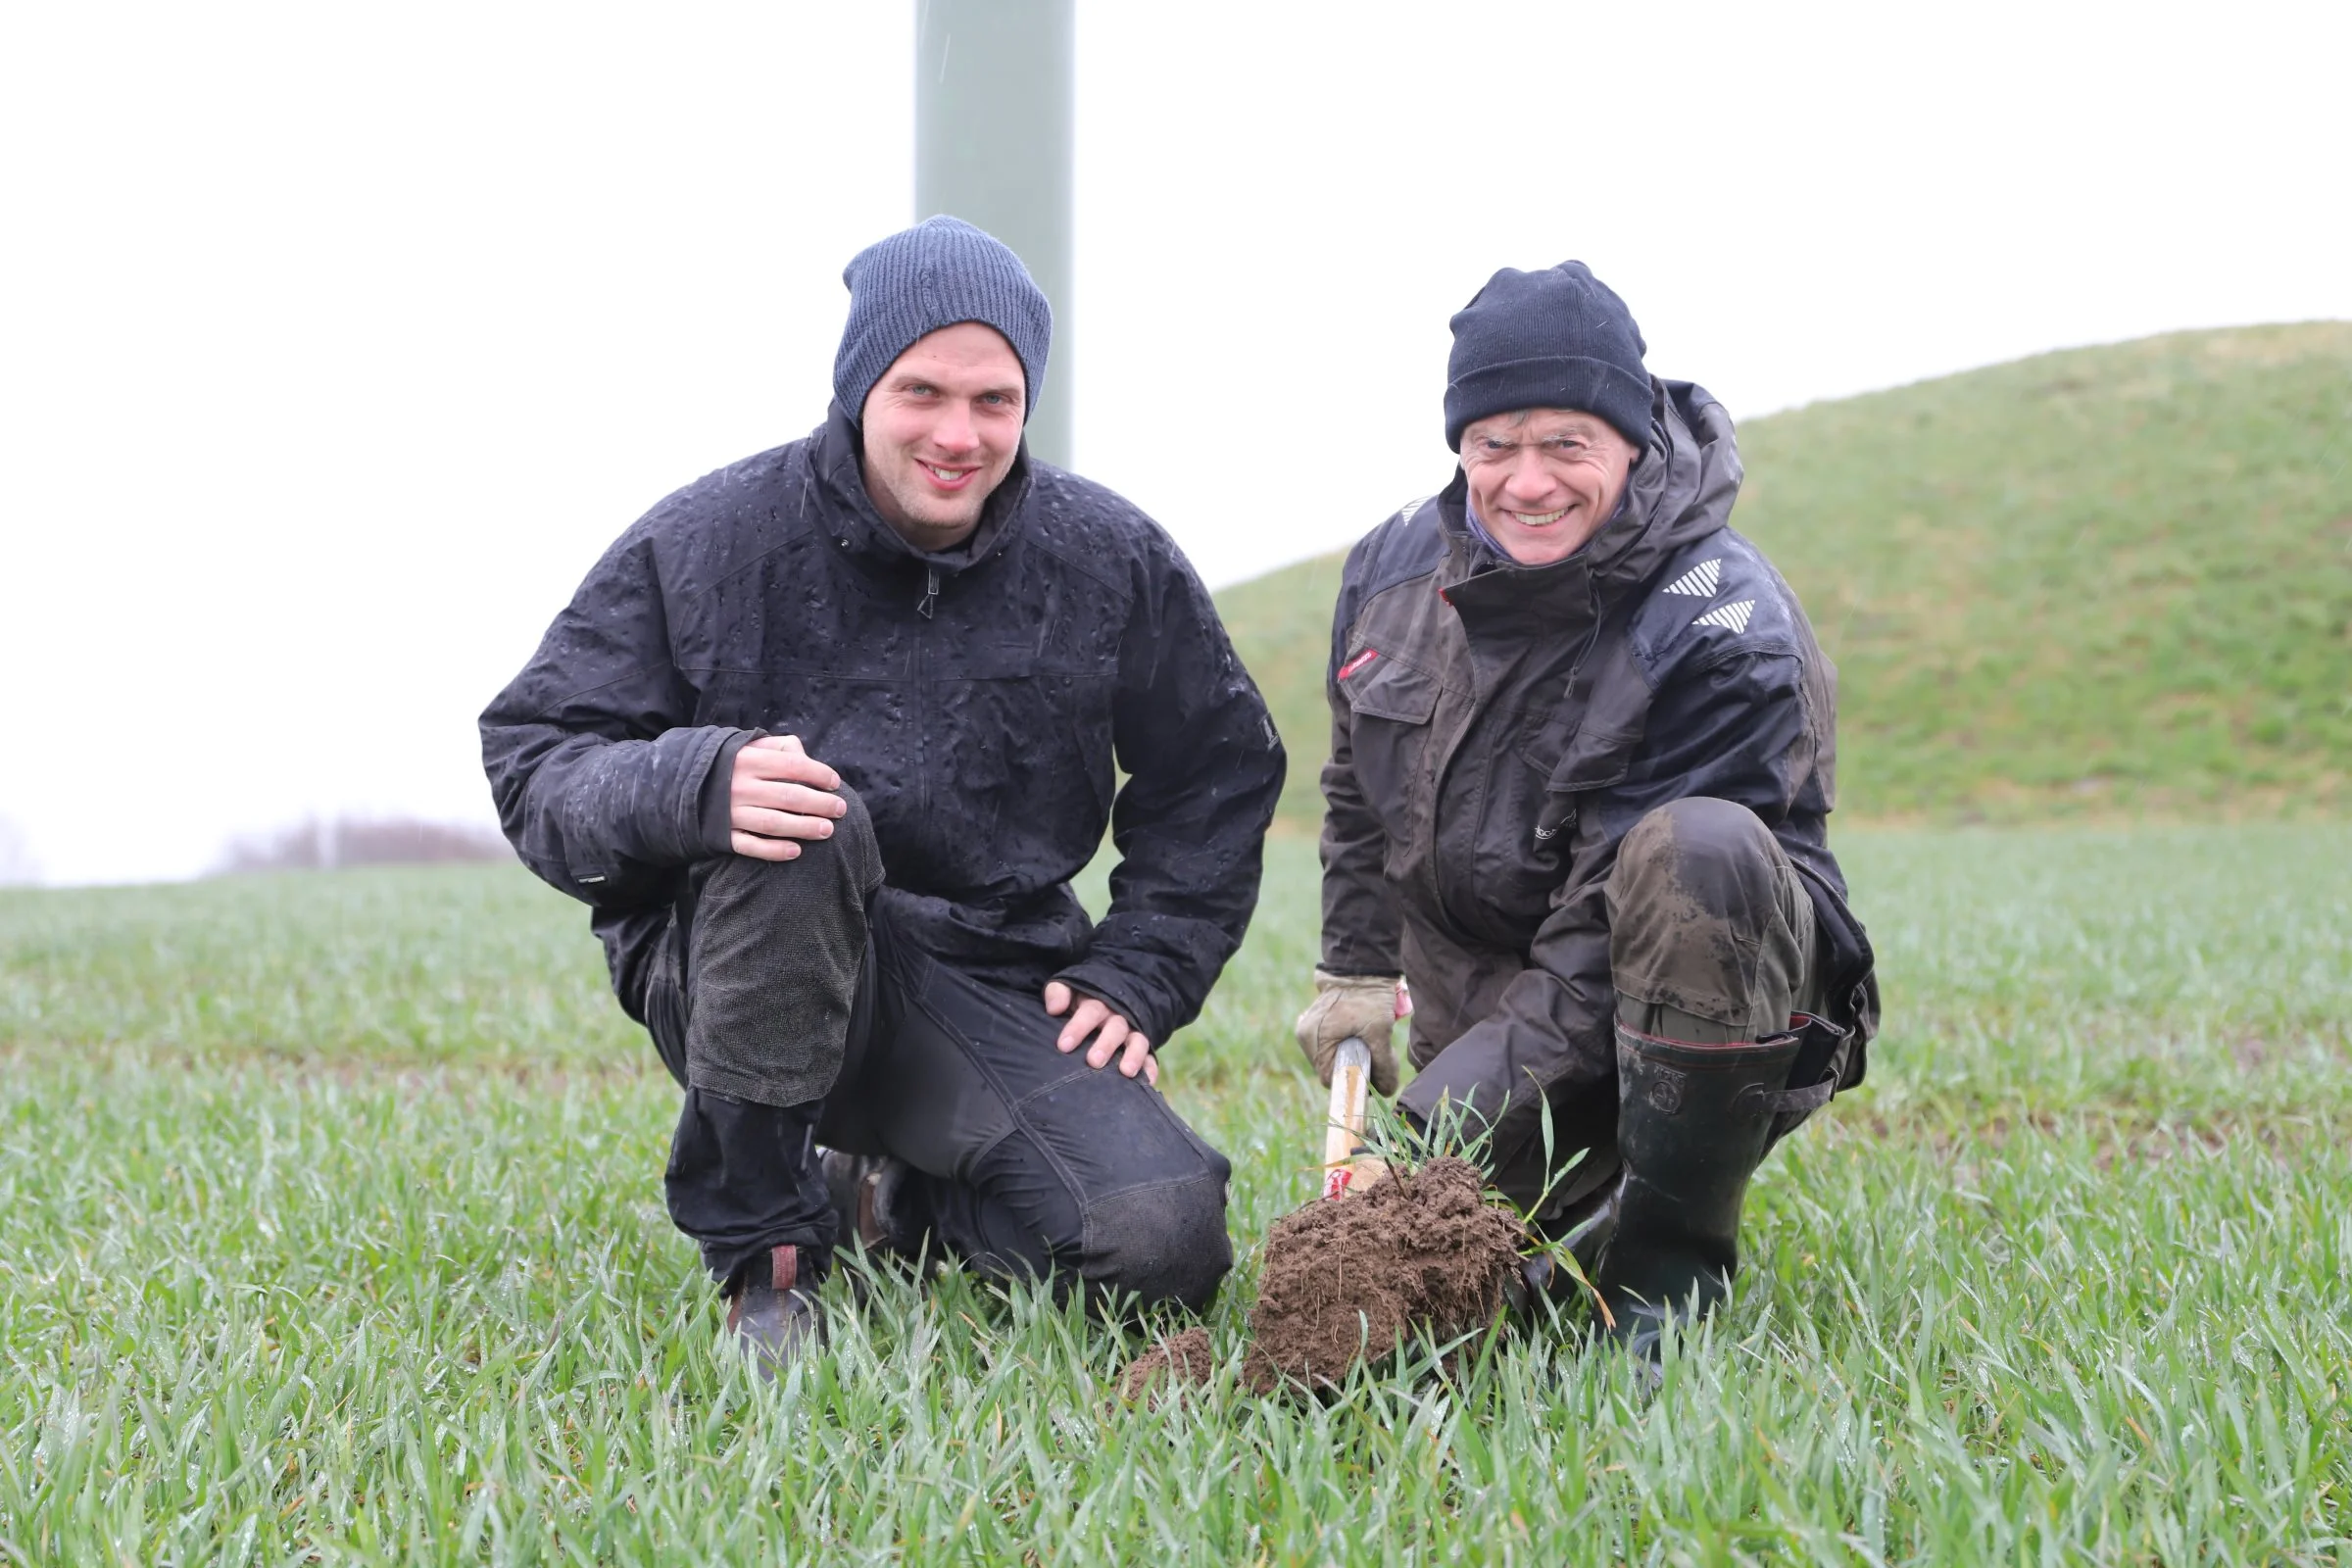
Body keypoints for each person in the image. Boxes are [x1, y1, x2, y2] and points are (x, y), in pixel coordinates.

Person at [482, 217, 1284, 1375]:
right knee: (807, 815)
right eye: (923, 391)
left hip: (989, 973)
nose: (959, 435)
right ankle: (767, 1259)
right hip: (741, 962)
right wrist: (695, 784)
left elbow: (1217, 769)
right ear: (861, 385)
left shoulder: (1106, 556)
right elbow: (536, 749)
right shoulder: (711, 538)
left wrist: (1141, 968)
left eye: (995, 401)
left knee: (1158, 1243)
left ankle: (893, 1199)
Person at [1297, 260, 1878, 1358]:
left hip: (1694, 1002)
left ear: (1632, 441)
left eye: (1567, 444)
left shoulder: (1722, 628)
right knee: (1430, 1315)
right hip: (1490, 1007)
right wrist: (1354, 976)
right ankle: (1568, 1209)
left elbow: (1600, 952)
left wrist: (1424, 1133)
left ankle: (1665, 1279)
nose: (1527, 482)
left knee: (1697, 851)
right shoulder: (1390, 571)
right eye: (1494, 445)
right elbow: (1355, 791)